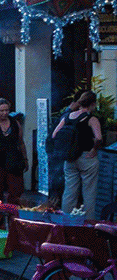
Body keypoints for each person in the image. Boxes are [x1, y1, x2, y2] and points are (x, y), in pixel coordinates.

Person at [53, 90, 103, 219]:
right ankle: (88, 224)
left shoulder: (67, 117)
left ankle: (66, 221)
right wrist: (94, 149)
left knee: (69, 192)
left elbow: (54, 135)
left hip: (70, 157)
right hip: (87, 157)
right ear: (93, 104)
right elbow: (98, 138)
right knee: (89, 192)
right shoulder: (91, 119)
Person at [0, 98, 27, 205]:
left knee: (16, 190)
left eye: (7, 110)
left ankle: (14, 214)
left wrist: (25, 159)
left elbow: (21, 142)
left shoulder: (15, 123)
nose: (5, 113)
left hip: (13, 160)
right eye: (1, 110)